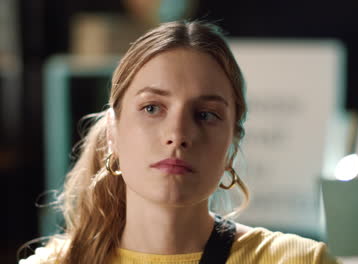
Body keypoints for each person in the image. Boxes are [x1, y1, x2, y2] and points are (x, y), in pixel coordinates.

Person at [19, 20, 340, 264]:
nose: (179, 134)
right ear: (113, 133)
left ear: (232, 143)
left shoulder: (297, 260)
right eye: (152, 108)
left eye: (206, 114)